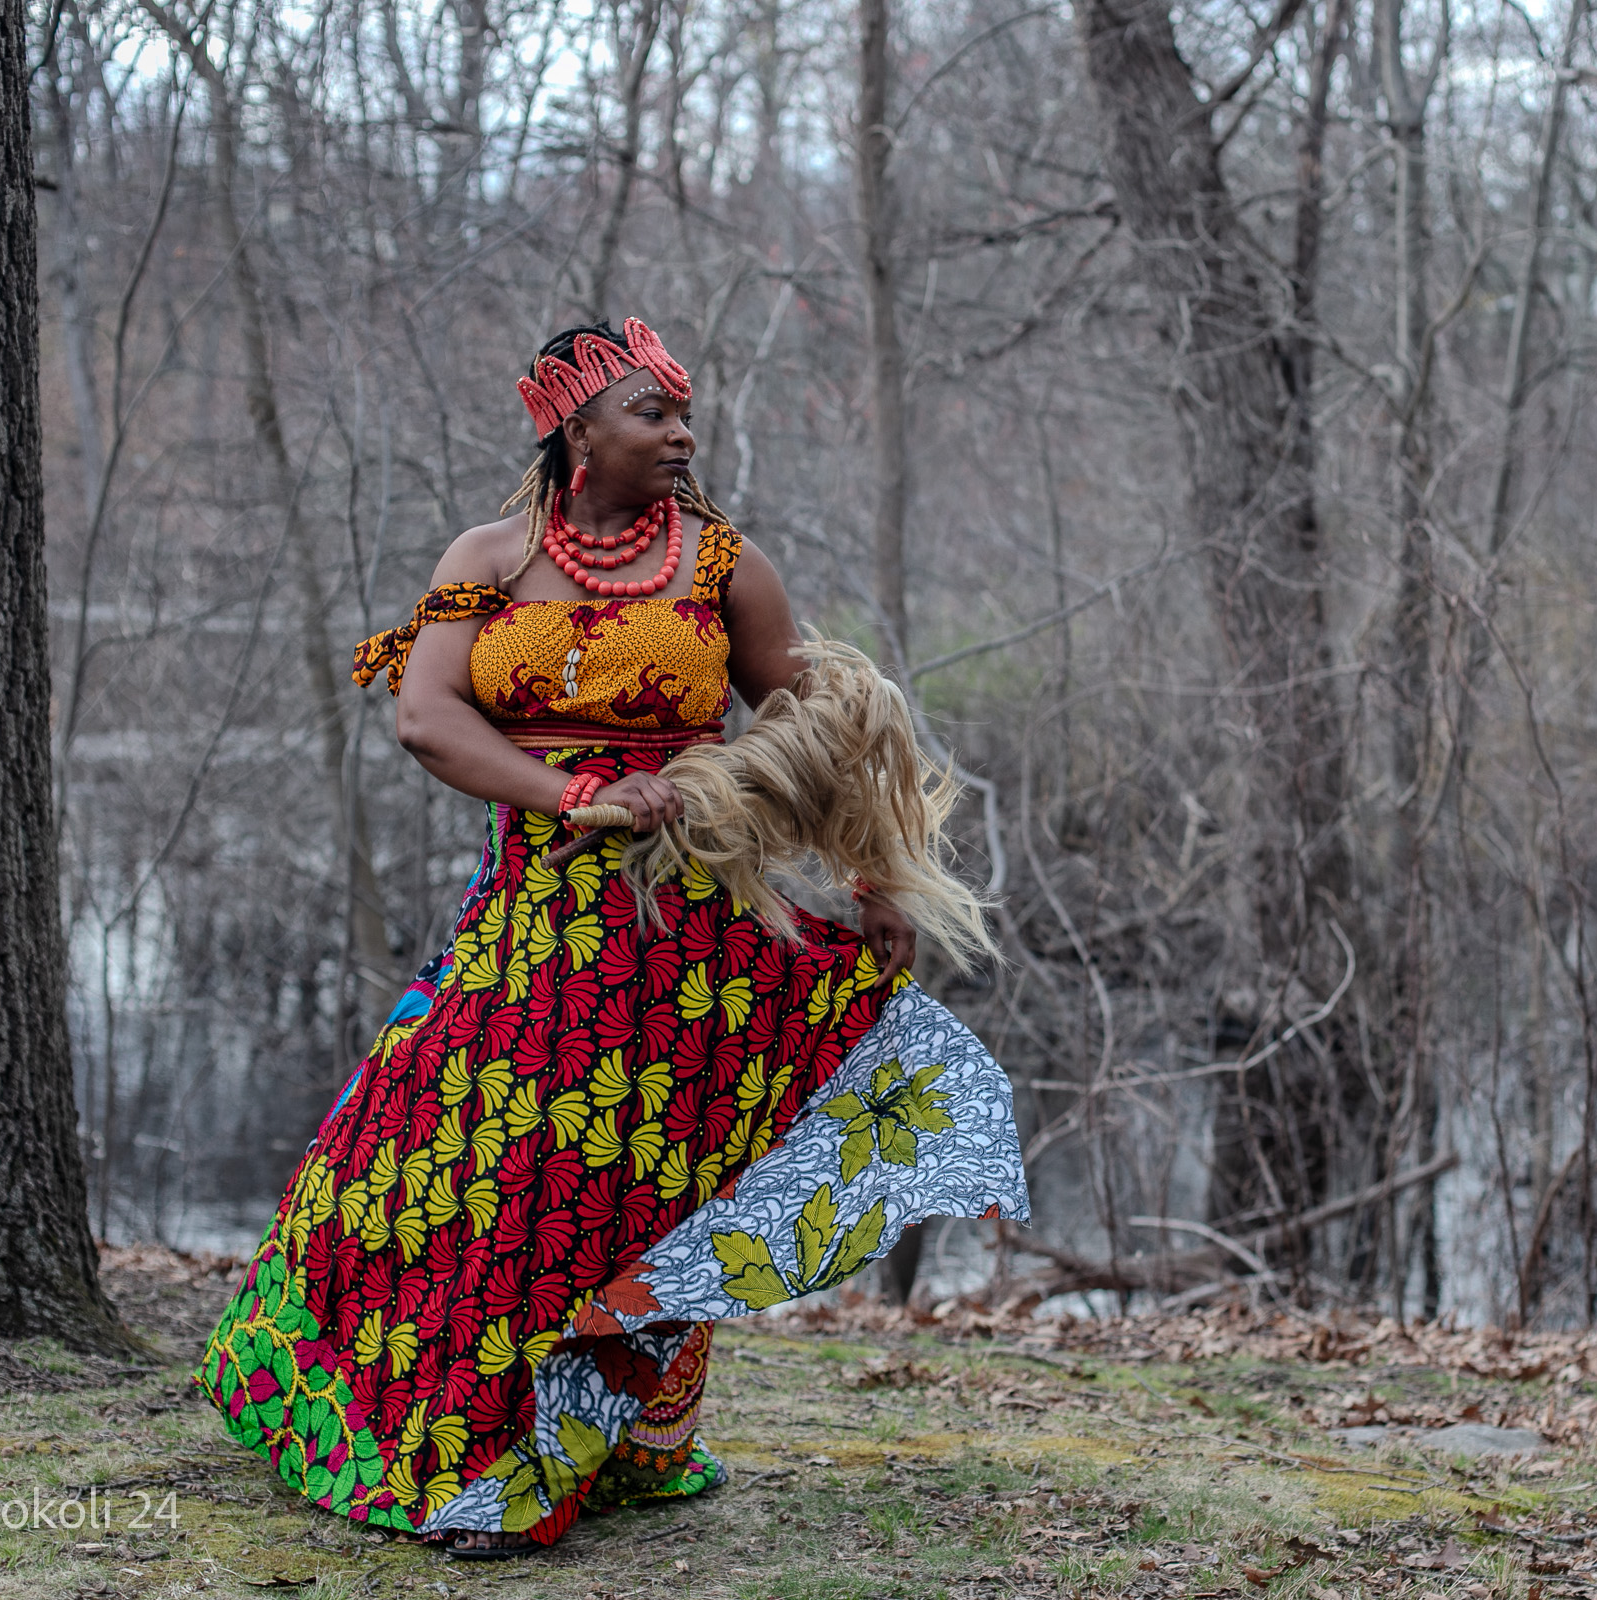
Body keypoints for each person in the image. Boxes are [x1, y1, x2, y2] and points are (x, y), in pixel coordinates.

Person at [196, 319, 1028, 1558]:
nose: (681, 432)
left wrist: (873, 879)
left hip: (683, 942)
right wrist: (575, 794)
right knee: (459, 1165)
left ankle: (606, 1442)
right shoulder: (486, 559)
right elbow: (426, 718)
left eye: (686, 412)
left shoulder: (723, 567)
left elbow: (823, 729)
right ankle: (452, 1441)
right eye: (652, 411)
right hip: (531, 926)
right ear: (577, 431)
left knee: (630, 1191)